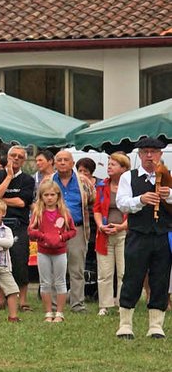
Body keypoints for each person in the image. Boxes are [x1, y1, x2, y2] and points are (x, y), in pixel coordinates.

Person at [114, 137, 170, 340]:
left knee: (160, 278)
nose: (149, 156)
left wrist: (169, 195)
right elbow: (122, 203)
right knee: (132, 277)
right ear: (139, 155)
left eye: (153, 152)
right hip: (138, 235)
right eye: (145, 152)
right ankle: (125, 324)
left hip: (163, 235)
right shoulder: (129, 176)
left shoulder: (168, 176)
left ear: (160, 155)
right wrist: (141, 199)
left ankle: (156, 325)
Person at [0, 145, 35, 298]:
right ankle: (1, 299)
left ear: (24, 160)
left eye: (20, 156)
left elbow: (21, 202)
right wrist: (8, 177)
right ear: (7, 157)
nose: (16, 158)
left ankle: (23, 300)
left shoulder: (28, 179)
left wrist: (0, 199)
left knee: (20, 262)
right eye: (13, 155)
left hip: (19, 225)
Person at [31, 179, 77, 323]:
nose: (49, 198)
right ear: (41, 196)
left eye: (52, 194)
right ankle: (48, 312)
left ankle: (60, 312)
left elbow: (72, 231)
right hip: (43, 251)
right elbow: (31, 231)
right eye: (46, 195)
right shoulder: (38, 212)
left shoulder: (64, 213)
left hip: (60, 252)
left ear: (58, 196)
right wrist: (43, 236)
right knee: (45, 282)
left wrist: (61, 237)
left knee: (60, 281)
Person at [52, 149, 92, 314]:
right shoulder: (49, 181)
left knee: (76, 269)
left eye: (65, 160)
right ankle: (54, 305)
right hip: (54, 230)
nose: (62, 162)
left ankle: (77, 304)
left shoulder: (83, 181)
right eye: (59, 160)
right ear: (54, 163)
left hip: (76, 228)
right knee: (55, 268)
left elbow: (92, 199)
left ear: (72, 163)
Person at [95, 152, 130, 317]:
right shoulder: (102, 185)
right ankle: (105, 305)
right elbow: (96, 209)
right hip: (104, 233)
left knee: (123, 272)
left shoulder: (130, 186)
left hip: (125, 233)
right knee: (104, 272)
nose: (109, 167)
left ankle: (123, 304)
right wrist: (101, 225)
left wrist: (121, 227)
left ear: (123, 168)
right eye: (108, 164)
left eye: (113, 164)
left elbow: (135, 210)